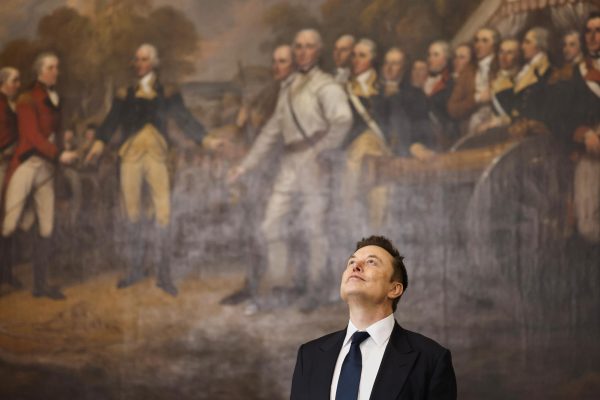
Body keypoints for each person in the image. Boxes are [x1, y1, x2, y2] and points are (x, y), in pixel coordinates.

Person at [229, 28, 352, 310]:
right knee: (271, 224)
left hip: (314, 162)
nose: (302, 51)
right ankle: (282, 283)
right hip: (290, 164)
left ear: (318, 50)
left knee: (314, 228)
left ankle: (315, 288)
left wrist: (320, 153)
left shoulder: (327, 85)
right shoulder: (290, 88)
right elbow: (270, 133)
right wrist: (244, 167)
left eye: (309, 46)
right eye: (298, 46)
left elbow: (343, 120)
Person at [85, 43, 206, 296]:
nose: (139, 64)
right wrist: (98, 143)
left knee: (163, 213)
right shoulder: (124, 92)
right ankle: (135, 269)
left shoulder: (167, 91)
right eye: (137, 59)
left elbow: (184, 118)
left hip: (157, 155)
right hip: (130, 155)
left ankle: (164, 274)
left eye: (144, 59)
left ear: (153, 63)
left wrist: (205, 139)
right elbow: (112, 120)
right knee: (132, 213)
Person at [290, 235, 457, 400]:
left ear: (394, 289)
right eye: (351, 262)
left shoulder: (431, 359)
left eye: (371, 262)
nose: (356, 266)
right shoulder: (309, 356)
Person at [2, 53, 79, 299]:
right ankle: (3, 276)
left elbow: (55, 131)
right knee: (9, 223)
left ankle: (41, 285)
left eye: (57, 67)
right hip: (26, 165)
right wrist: (59, 154)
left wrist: (64, 141)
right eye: (51, 67)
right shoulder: (26, 99)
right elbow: (32, 136)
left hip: (46, 168)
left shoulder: (56, 99)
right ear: (39, 72)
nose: (56, 71)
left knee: (46, 225)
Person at [448, 28, 500, 137]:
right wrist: (477, 98)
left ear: (494, 45)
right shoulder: (468, 71)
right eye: (476, 40)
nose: (478, 45)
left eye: (485, 41)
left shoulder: (501, 65)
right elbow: (453, 108)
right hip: (473, 127)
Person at [0, 66, 21, 289]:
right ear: (3, 83)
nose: (17, 84)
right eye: (14, 81)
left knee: (9, 218)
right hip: (1, 165)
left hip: (13, 165)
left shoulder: (13, 106)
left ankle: (6, 271)